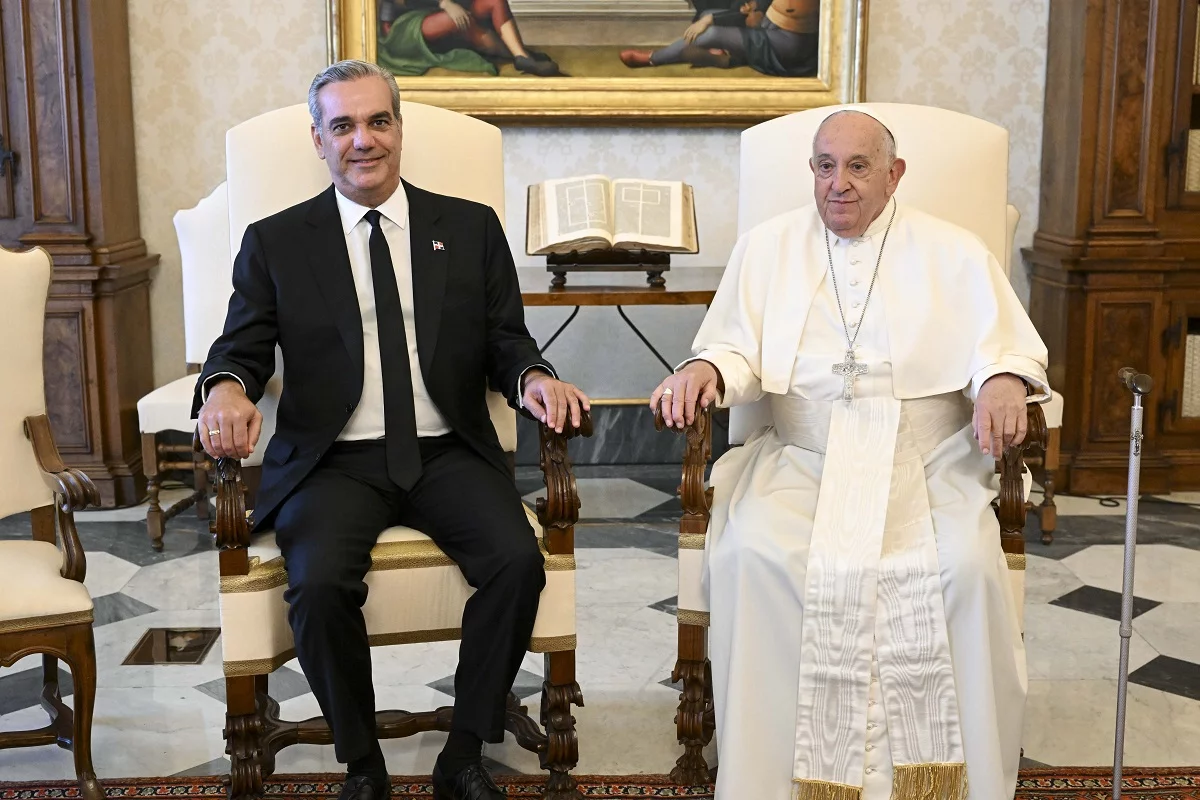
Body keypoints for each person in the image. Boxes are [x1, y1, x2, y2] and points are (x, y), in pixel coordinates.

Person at [193, 60, 589, 800]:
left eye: (378, 122)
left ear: (399, 130)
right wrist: (223, 390)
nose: (362, 140)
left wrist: (535, 379)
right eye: (342, 125)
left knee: (515, 562)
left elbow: (507, 340)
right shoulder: (276, 241)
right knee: (315, 582)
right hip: (334, 460)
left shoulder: (468, 228)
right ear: (319, 139)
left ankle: (463, 753)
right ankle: (363, 762)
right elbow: (239, 349)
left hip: (448, 450)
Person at [649, 110, 1048, 800]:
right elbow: (734, 346)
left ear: (894, 175)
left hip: (923, 466)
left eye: (858, 167)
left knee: (964, 568)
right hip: (803, 459)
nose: (839, 184)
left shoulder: (954, 252)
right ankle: (770, 780)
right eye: (825, 166)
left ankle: (945, 780)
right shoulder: (767, 248)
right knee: (755, 558)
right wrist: (704, 370)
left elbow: (1002, 348)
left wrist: (1005, 379)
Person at [619, 0, 817, 76]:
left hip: (786, 48)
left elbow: (759, 19)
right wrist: (749, 9)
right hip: (770, 30)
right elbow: (756, 13)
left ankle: (653, 58)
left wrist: (710, 20)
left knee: (710, 32)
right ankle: (729, 57)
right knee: (712, 14)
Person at [376, 0, 563, 77]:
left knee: (494, 2)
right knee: (460, 21)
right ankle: (519, 55)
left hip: (437, 14)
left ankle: (520, 56)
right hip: (401, 27)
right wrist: (444, 2)